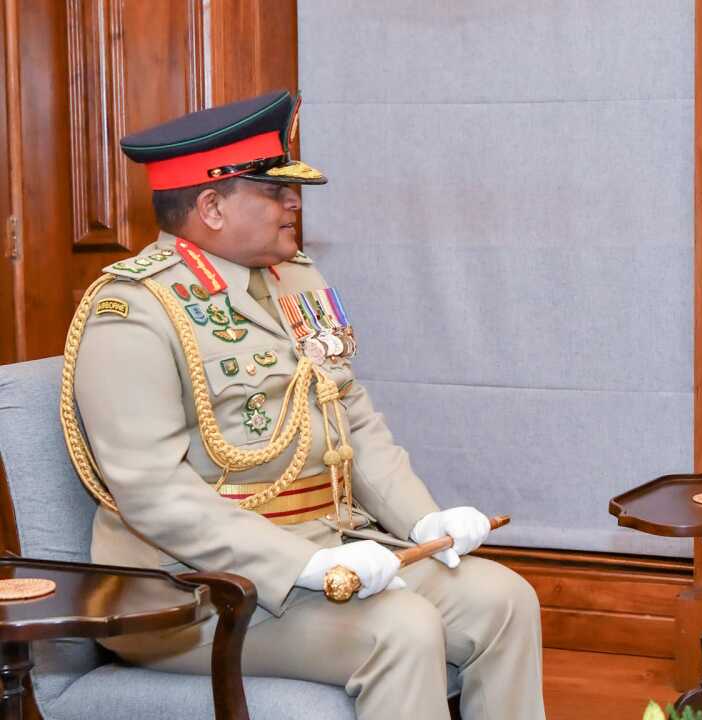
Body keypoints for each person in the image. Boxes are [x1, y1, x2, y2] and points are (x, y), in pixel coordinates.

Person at [63, 90, 545, 720]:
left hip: (329, 543)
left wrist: (425, 520)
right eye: (270, 191)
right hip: (194, 592)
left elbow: (354, 420)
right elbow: (151, 490)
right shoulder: (132, 310)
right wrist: (307, 564)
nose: (294, 201)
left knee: (506, 600)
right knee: (399, 629)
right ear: (209, 206)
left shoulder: (298, 279)